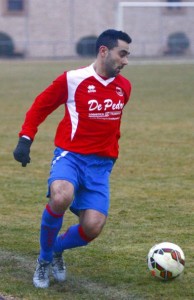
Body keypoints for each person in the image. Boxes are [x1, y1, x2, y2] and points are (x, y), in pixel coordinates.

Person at [13, 29, 132, 289]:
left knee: (93, 227)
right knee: (61, 196)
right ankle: (44, 260)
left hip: (100, 166)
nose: (125, 61)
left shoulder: (124, 87)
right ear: (104, 51)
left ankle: (56, 248)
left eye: (127, 55)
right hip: (71, 157)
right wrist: (25, 138)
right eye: (122, 54)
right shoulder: (73, 79)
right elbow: (41, 105)